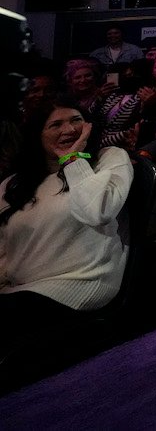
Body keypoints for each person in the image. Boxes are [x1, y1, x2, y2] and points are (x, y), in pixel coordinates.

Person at [0, 100, 133, 393]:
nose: (69, 129)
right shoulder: (14, 183)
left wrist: (73, 161)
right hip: (19, 287)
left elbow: (96, 210)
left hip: (78, 281)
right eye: (56, 124)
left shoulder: (109, 158)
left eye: (76, 120)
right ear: (37, 134)